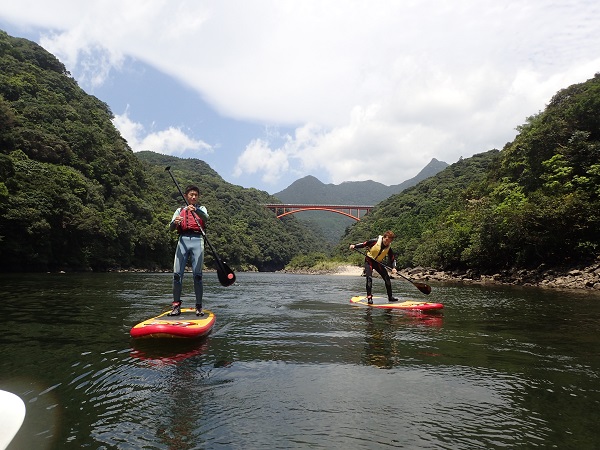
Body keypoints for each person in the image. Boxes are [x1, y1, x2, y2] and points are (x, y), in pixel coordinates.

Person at [168, 185, 209, 317]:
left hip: (197, 240)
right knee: (177, 275)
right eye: (191, 194)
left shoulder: (201, 209)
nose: (194, 197)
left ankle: (198, 306)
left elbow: (206, 218)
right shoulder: (179, 210)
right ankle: (176, 306)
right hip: (183, 240)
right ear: (186, 196)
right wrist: (175, 222)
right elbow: (171, 227)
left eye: (196, 195)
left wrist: (196, 210)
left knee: (197, 276)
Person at [349, 230, 398, 304]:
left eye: (389, 241)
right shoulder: (374, 241)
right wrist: (354, 246)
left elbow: (392, 258)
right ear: (384, 237)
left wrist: (394, 267)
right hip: (369, 261)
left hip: (377, 263)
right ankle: (369, 298)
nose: (387, 242)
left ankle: (390, 297)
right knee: (369, 278)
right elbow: (364, 244)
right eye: (386, 240)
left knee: (387, 278)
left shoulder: (388, 247)